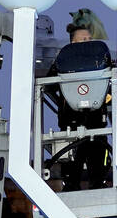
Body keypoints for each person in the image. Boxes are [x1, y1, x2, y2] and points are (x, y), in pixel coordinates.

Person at [46, 24, 111, 190]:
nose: (88, 43)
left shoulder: (100, 62)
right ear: (73, 43)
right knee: (72, 173)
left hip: (97, 124)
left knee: (99, 171)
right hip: (71, 125)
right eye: (83, 40)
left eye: (89, 39)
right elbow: (48, 86)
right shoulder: (62, 63)